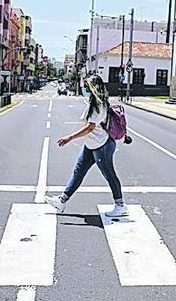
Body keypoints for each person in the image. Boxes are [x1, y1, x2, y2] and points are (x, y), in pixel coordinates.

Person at [45, 75, 128, 217]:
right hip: (91, 144)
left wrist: (70, 137)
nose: (85, 88)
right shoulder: (96, 102)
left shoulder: (98, 104)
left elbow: (90, 127)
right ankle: (62, 201)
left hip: (101, 145)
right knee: (78, 172)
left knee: (109, 175)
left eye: (87, 86)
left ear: (93, 88)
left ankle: (120, 206)